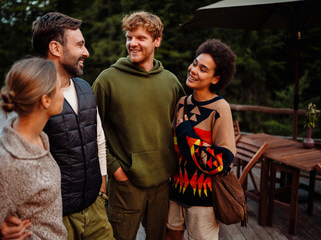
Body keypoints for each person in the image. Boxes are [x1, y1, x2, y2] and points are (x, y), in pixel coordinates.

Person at [0, 12, 114, 240]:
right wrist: (0, 219)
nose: (86, 52)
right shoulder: (27, 96)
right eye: (80, 44)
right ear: (56, 48)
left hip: (95, 210)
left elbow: (97, 138)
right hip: (52, 220)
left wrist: (101, 183)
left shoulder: (85, 87)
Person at [92, 11, 185, 240]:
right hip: (126, 183)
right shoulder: (107, 80)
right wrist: (116, 170)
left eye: (140, 38)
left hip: (162, 182)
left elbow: (184, 125)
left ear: (157, 41)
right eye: (129, 37)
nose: (132, 43)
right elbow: (91, 130)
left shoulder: (171, 81)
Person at [0, 57, 67, 239]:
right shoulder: (6, 165)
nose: (63, 94)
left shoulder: (38, 138)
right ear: (45, 101)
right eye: (59, 89)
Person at [166, 39, 237, 240]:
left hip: (204, 201)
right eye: (195, 63)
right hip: (175, 192)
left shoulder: (220, 108)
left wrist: (186, 132)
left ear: (215, 79)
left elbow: (221, 162)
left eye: (203, 69)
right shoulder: (181, 103)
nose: (194, 70)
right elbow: (173, 148)